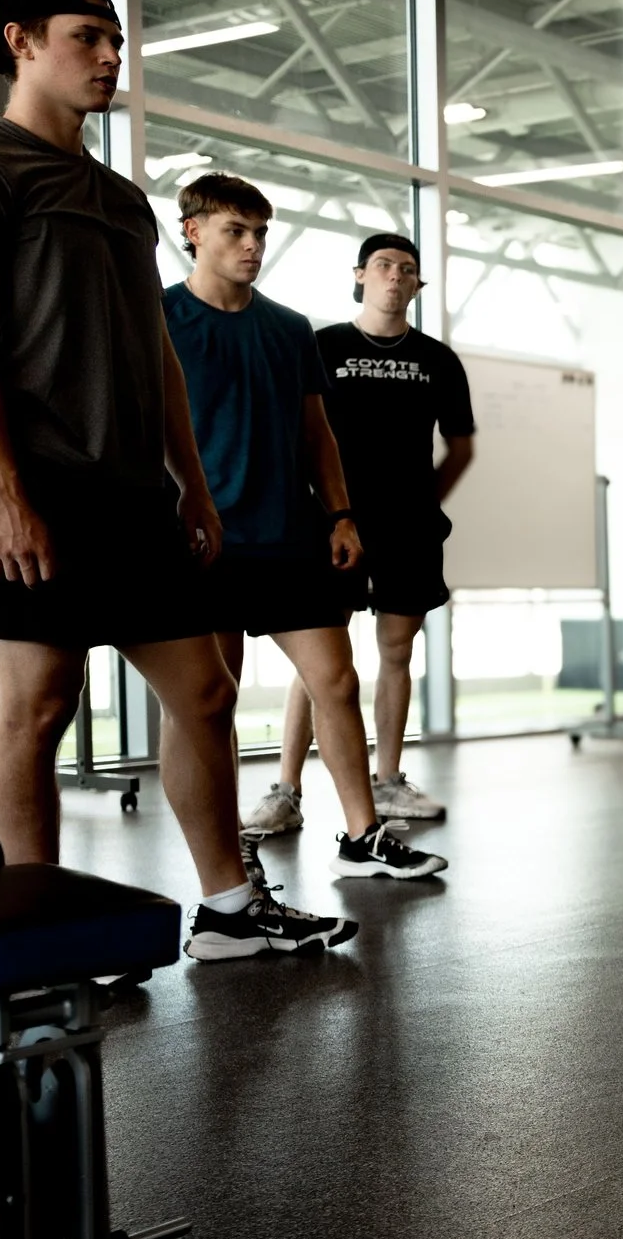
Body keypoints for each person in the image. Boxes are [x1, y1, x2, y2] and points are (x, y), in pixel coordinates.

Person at [0, 0, 353, 959]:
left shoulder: (121, 200)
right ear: (21, 41)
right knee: (38, 705)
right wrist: (1, 496)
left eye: (117, 42)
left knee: (205, 692)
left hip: (134, 493)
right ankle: (34, 928)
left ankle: (228, 910)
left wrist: (189, 484)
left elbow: (156, 356)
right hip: (29, 482)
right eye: (87, 37)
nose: (111, 58)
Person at [166, 173, 446, 885]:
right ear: (192, 231)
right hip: (204, 541)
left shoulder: (291, 330)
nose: (253, 245)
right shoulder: (158, 317)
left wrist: (341, 514)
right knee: (211, 702)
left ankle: (362, 836)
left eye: (260, 232)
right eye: (236, 231)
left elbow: (318, 434)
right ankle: (226, 856)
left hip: (291, 535)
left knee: (336, 680)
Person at [244, 233, 475, 837]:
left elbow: (461, 447)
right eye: (384, 265)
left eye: (407, 269)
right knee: (319, 660)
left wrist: (423, 502)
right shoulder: (324, 347)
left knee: (398, 651)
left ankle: (388, 781)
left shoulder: (437, 359)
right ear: (360, 275)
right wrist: (325, 509)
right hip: (333, 524)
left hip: (410, 531)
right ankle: (286, 790)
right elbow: (299, 434)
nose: (396, 275)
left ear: (417, 285)